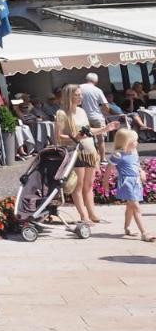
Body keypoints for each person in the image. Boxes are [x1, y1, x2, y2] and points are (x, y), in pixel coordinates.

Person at [55, 83, 117, 227]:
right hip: (76, 153)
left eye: (80, 94)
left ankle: (92, 213)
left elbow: (88, 131)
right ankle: (84, 216)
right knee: (78, 186)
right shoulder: (62, 114)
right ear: (69, 96)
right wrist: (74, 137)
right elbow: (57, 137)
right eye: (77, 95)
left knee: (89, 186)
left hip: (90, 152)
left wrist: (105, 128)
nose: (80, 97)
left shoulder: (82, 111)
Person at [79, 73, 109, 156]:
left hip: (84, 117)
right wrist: (105, 113)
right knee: (100, 139)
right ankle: (103, 158)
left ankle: (92, 157)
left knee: (87, 138)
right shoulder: (97, 90)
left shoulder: (80, 88)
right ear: (96, 80)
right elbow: (105, 105)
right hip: (97, 117)